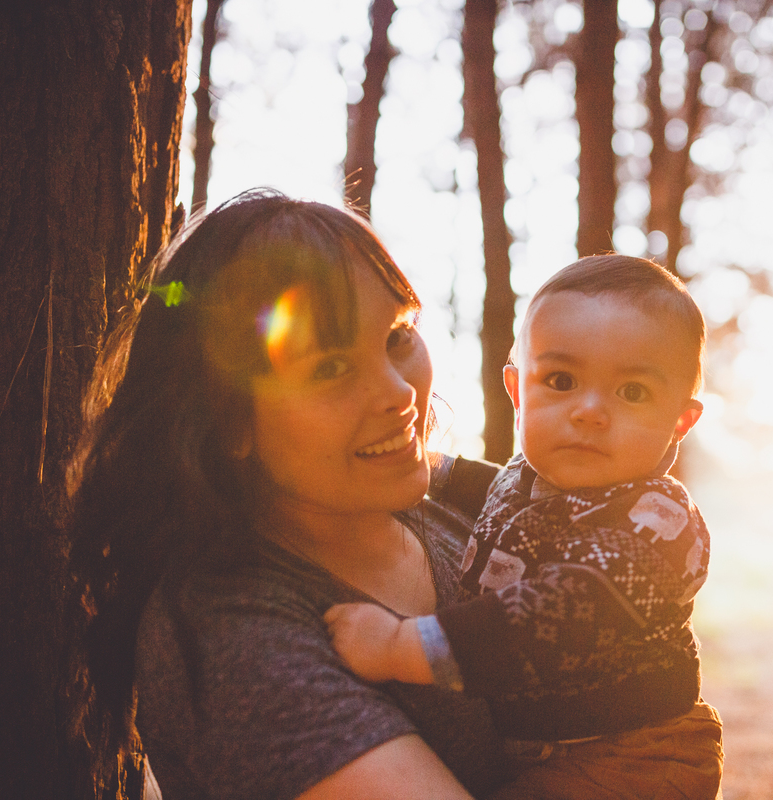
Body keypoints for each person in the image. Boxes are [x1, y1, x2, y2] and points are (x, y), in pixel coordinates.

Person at [67, 190, 515, 799]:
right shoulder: (233, 638)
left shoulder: (467, 509)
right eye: (331, 367)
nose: (400, 394)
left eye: (397, 336)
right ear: (231, 423)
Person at [326, 255, 724, 799]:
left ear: (680, 419)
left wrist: (402, 645)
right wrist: (399, 457)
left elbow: (562, 613)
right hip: (549, 751)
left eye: (631, 392)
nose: (589, 410)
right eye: (560, 380)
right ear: (517, 390)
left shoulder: (657, 521)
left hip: (632, 755)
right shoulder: (524, 478)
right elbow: (463, 481)